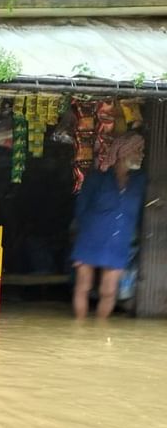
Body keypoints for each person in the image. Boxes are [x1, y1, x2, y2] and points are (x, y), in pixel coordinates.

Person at [71, 132, 146, 319]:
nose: (141, 155)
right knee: (83, 287)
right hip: (90, 239)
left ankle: (100, 329)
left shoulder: (139, 182)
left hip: (118, 241)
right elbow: (81, 209)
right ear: (122, 153)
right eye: (138, 150)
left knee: (109, 291)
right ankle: (79, 329)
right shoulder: (97, 179)